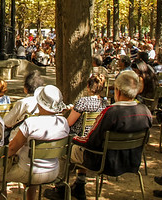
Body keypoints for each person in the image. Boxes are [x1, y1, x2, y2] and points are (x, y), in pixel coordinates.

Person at [61, 70, 152, 200]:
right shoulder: (146, 111)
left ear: (118, 91)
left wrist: (73, 139)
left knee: (67, 149)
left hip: (105, 161)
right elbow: (146, 140)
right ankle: (78, 186)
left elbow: (91, 142)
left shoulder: (111, 113)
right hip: (132, 160)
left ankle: (62, 188)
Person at [0, 85, 69, 200]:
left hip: (30, 172)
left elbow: (12, 148)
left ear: (40, 103)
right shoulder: (63, 122)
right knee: (30, 162)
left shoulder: (31, 123)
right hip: (53, 171)